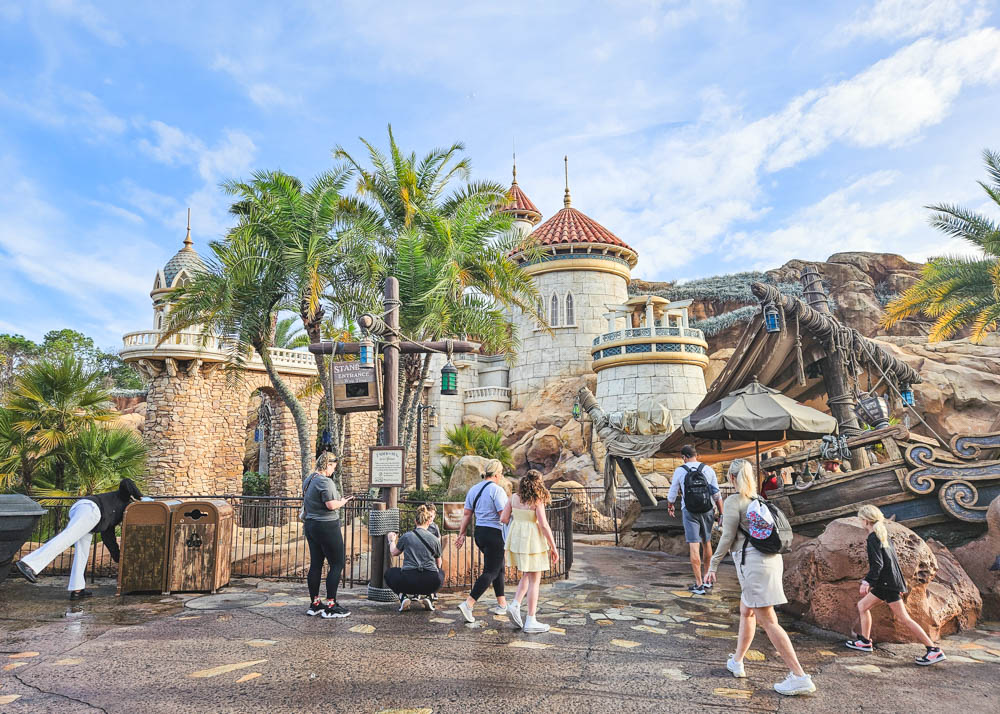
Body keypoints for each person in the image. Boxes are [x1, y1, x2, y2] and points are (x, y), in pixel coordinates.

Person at [705, 459, 816, 696]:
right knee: (747, 610)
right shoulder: (759, 500)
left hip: (754, 565)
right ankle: (737, 661)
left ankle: (799, 676)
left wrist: (713, 565)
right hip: (770, 560)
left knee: (768, 620)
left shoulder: (734, 501)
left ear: (732, 478)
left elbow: (726, 538)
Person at [845, 505, 945, 665]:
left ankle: (933, 650)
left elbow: (877, 564)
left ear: (864, 521)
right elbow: (892, 563)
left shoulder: (873, 538)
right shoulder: (883, 535)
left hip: (887, 585)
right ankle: (864, 641)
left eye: (860, 519)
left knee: (905, 619)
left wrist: (867, 581)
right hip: (888, 583)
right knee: (862, 606)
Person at [16, 479, 143, 600]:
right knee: (67, 537)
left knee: (82, 553)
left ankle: (77, 589)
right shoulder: (124, 498)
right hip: (91, 509)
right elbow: (126, 482)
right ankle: (29, 564)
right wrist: (141, 497)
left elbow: (108, 536)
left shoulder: (115, 518)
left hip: (92, 518)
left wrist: (117, 557)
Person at [502, 470, 559, 633]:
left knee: (528, 574)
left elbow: (504, 519)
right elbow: (543, 524)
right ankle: (530, 620)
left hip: (518, 539)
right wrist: (553, 547)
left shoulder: (513, 497)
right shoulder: (537, 500)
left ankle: (515, 604)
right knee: (535, 579)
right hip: (532, 540)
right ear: (538, 483)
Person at [455, 458, 510, 624]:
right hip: (495, 534)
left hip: (480, 533)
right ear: (497, 474)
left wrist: (462, 534)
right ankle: (469, 603)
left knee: (498, 568)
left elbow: (466, 514)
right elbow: (503, 516)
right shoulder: (497, 490)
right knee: (491, 571)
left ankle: (502, 604)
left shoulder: (474, 489)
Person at [302, 452, 353, 619]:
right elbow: (331, 505)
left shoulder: (309, 480)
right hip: (327, 526)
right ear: (328, 465)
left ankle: (315, 603)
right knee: (337, 563)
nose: (333, 470)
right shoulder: (325, 481)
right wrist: (343, 502)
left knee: (316, 564)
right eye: (333, 467)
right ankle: (331, 605)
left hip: (311, 525)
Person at [666, 444, 723, 595]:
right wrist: (721, 513)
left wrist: (670, 505)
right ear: (696, 455)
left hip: (689, 511)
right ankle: (707, 580)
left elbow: (672, 493)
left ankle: (699, 584)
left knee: (694, 545)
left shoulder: (680, 471)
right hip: (707, 509)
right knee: (707, 542)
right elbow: (717, 494)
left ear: (683, 457)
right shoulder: (708, 469)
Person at [386, 504, 444, 612]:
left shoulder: (407, 536)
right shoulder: (435, 540)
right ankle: (429, 596)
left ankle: (403, 597)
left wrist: (391, 540)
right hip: (430, 581)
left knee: (389, 573)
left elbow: (394, 552)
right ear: (428, 522)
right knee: (441, 573)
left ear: (415, 521)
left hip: (408, 580)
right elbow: (439, 562)